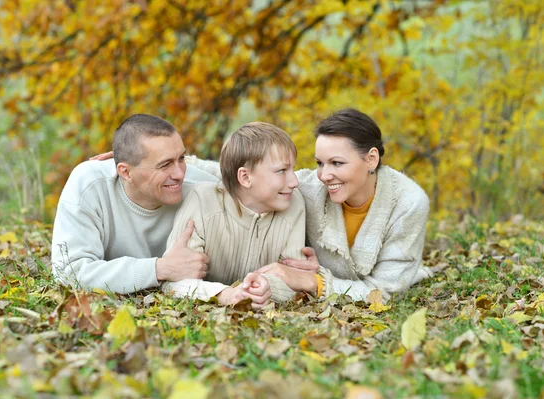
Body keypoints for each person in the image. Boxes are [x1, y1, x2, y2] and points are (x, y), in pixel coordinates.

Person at [51, 114, 270, 306]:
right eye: (165, 165)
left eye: (181, 159)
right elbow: (69, 272)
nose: (179, 174)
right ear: (126, 172)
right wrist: (160, 269)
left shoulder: (201, 188)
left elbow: (272, 186)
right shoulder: (89, 185)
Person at [256, 108, 432, 302]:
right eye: (320, 163)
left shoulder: (408, 203)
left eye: (337, 163)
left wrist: (315, 282)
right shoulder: (307, 188)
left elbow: (384, 293)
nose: (324, 175)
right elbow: (244, 177)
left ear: (371, 159)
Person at [160, 122, 309, 306]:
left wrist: (269, 288)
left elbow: (297, 280)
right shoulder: (202, 200)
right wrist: (224, 294)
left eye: (293, 169)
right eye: (282, 171)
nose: (294, 181)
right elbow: (173, 282)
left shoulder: (294, 204)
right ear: (245, 177)